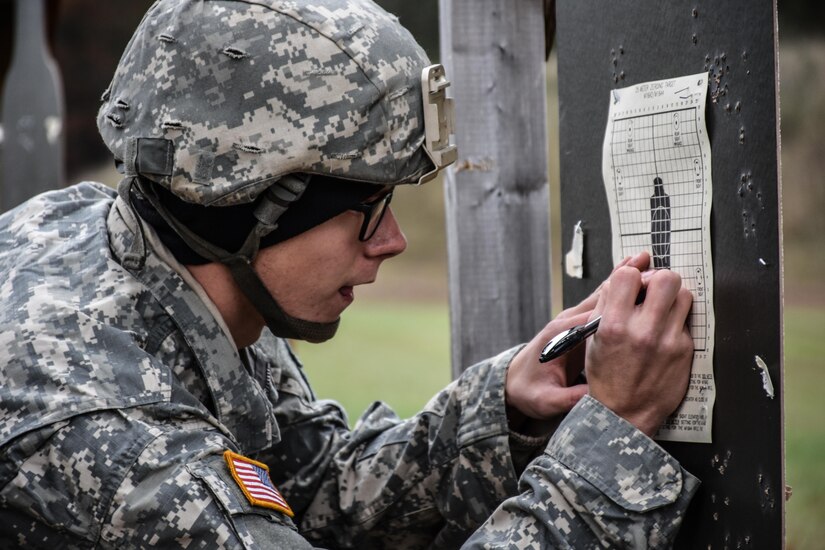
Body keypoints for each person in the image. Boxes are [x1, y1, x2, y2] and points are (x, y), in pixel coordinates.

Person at [0, 0, 698, 547]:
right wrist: (612, 436)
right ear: (247, 200)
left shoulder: (156, 256)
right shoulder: (113, 442)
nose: (391, 241)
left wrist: (498, 410)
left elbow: (308, 484)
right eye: (366, 207)